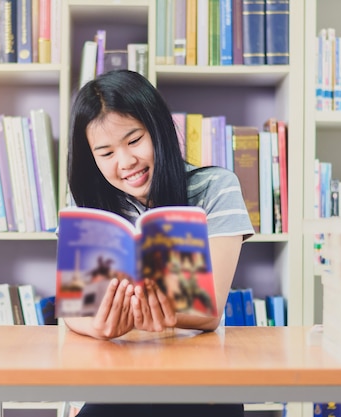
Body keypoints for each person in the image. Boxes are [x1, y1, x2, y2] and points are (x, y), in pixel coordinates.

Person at [65, 69, 255, 417]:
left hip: (202, 382)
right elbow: (76, 310)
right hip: (116, 380)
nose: (125, 163)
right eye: (105, 153)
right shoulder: (89, 210)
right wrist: (100, 325)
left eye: (134, 140)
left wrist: (160, 315)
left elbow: (208, 310)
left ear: (159, 130)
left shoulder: (216, 188)